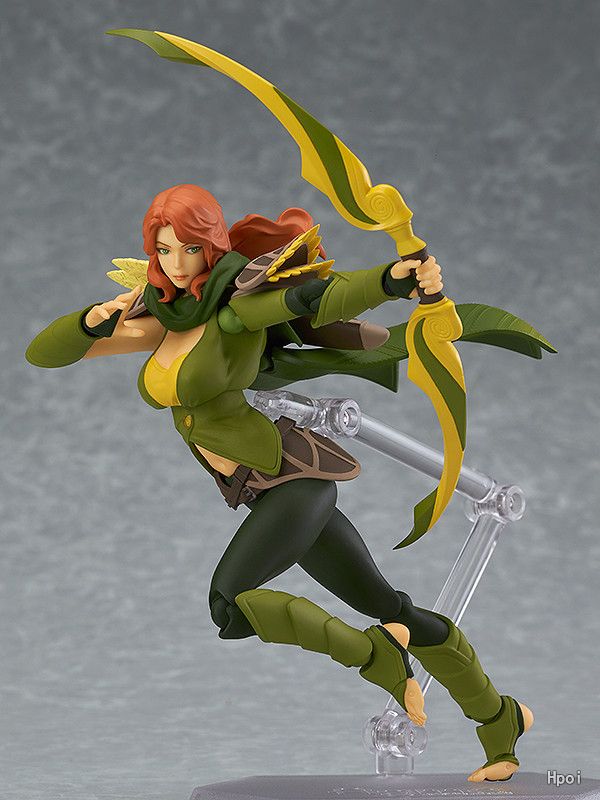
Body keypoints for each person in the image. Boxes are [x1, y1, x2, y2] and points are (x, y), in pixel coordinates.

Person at [26, 183, 532, 782]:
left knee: (229, 601)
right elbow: (44, 354)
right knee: (387, 604)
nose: (176, 263)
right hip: (261, 491)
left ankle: (377, 655)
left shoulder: (235, 310)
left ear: (212, 247)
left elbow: (310, 297)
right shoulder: (162, 317)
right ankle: (501, 719)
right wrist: (89, 321)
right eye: (163, 249)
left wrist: (391, 280)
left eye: (189, 248)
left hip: (293, 482)